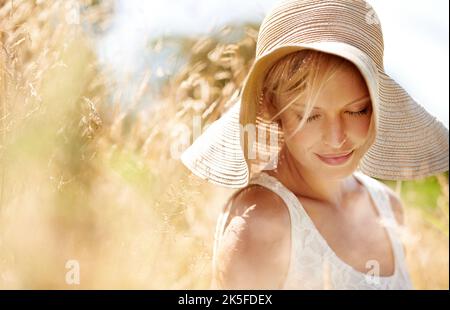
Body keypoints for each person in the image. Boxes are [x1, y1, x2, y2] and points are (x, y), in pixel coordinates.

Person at [181, 0, 449, 289]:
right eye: (310, 115)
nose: (336, 138)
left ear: (376, 103)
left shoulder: (388, 208)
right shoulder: (261, 223)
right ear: (271, 105)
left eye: (356, 110)